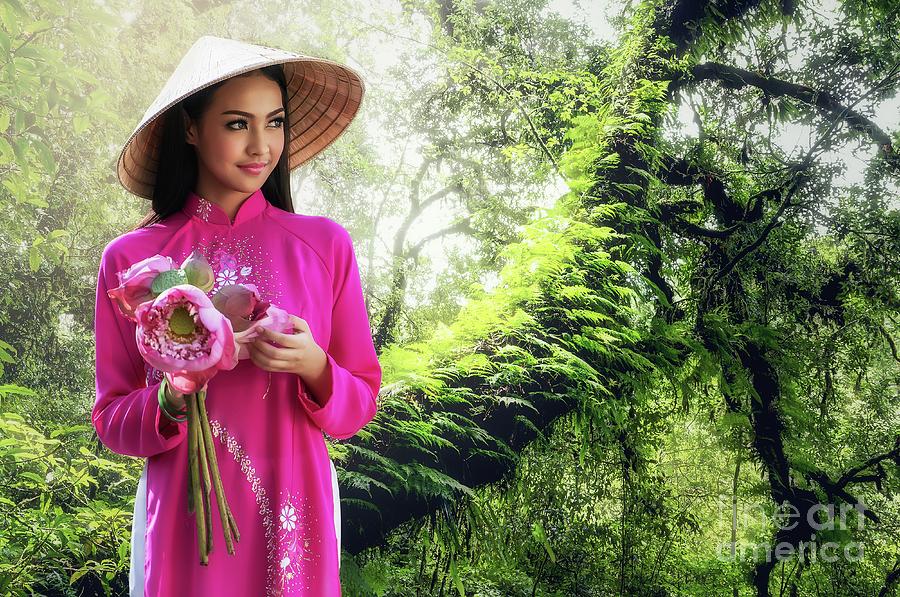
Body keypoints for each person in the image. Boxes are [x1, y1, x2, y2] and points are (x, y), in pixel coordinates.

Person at [91, 35, 380, 596]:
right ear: (191, 129)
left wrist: (316, 365)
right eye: (236, 124)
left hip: (295, 507)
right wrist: (176, 392)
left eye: (273, 123)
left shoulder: (324, 246)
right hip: (185, 513)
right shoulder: (132, 261)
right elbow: (112, 419)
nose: (261, 146)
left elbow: (359, 404)